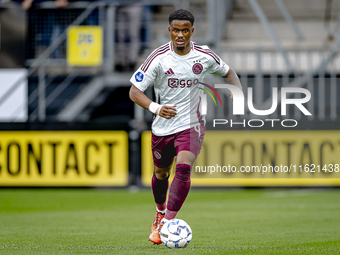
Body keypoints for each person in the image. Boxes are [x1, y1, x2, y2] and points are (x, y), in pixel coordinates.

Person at [129, 9, 242, 244]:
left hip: (191, 124)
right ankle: (160, 211)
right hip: (162, 126)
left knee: (184, 166)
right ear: (169, 31)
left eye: (185, 30)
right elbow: (134, 91)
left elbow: (229, 72)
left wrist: (237, 92)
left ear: (192, 31)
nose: (180, 35)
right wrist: (156, 108)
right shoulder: (158, 58)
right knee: (161, 173)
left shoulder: (204, 55)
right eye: (176, 30)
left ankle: (167, 222)